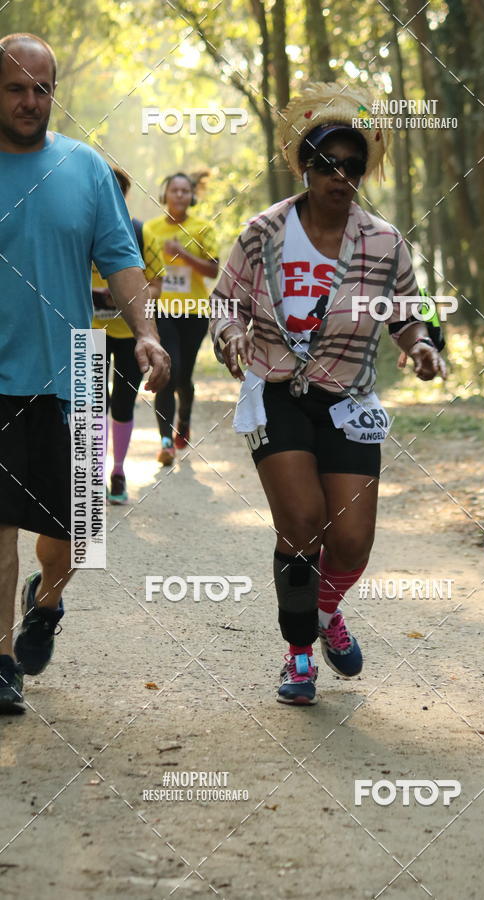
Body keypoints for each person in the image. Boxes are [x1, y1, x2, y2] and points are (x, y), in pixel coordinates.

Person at [210, 83, 446, 706]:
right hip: (279, 391)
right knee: (303, 522)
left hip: (349, 399)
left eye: (353, 168)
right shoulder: (263, 234)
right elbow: (225, 302)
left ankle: (325, 609)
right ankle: (297, 655)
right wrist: (232, 335)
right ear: (307, 167)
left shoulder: (383, 242)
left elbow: (408, 312)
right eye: (329, 165)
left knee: (351, 541)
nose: (342, 178)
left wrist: (420, 345)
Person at [0, 33, 170, 714]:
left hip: (67, 374)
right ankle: (3, 660)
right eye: (16, 87)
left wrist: (149, 335)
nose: (31, 101)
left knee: (71, 534)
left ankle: (45, 604)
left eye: (43, 88)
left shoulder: (84, 167)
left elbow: (120, 259)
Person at [92, 166, 164, 503]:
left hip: (130, 334)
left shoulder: (138, 231)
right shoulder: (81, 229)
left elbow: (157, 285)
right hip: (89, 332)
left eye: (116, 191)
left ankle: (118, 472)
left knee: (122, 403)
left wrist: (124, 295)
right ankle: (92, 477)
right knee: (92, 406)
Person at [143, 172, 219, 465]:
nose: (179, 195)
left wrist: (183, 254)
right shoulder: (150, 229)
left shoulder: (202, 227)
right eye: (174, 190)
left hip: (195, 312)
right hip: (163, 310)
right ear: (165, 195)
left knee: (183, 378)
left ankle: (183, 421)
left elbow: (212, 270)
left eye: (185, 191)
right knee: (167, 371)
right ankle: (165, 442)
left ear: (192, 196)